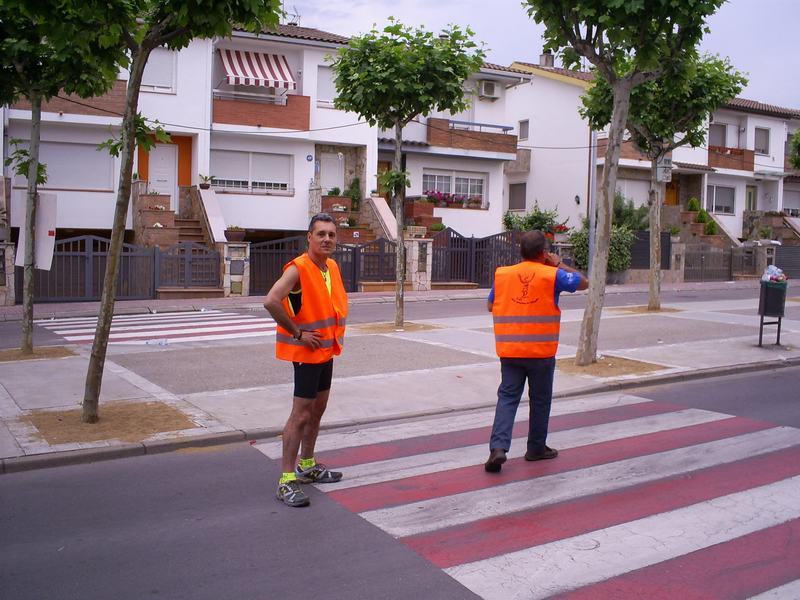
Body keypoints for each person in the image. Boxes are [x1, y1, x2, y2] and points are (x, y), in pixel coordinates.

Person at [484, 230, 588, 473]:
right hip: (540, 353)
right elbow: (584, 282)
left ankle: (498, 448)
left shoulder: (504, 275)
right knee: (540, 400)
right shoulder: (553, 275)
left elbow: (491, 304)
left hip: (510, 351)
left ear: (521, 251)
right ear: (544, 253)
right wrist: (559, 263)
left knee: (507, 398)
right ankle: (536, 449)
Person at [264, 213, 348, 507]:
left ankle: (308, 466)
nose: (327, 239)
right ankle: (286, 480)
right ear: (308, 238)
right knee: (300, 414)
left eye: (331, 235)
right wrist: (298, 333)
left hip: (326, 351)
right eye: (321, 234)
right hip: (306, 353)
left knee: (317, 410)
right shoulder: (298, 269)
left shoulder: (331, 267)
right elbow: (271, 300)